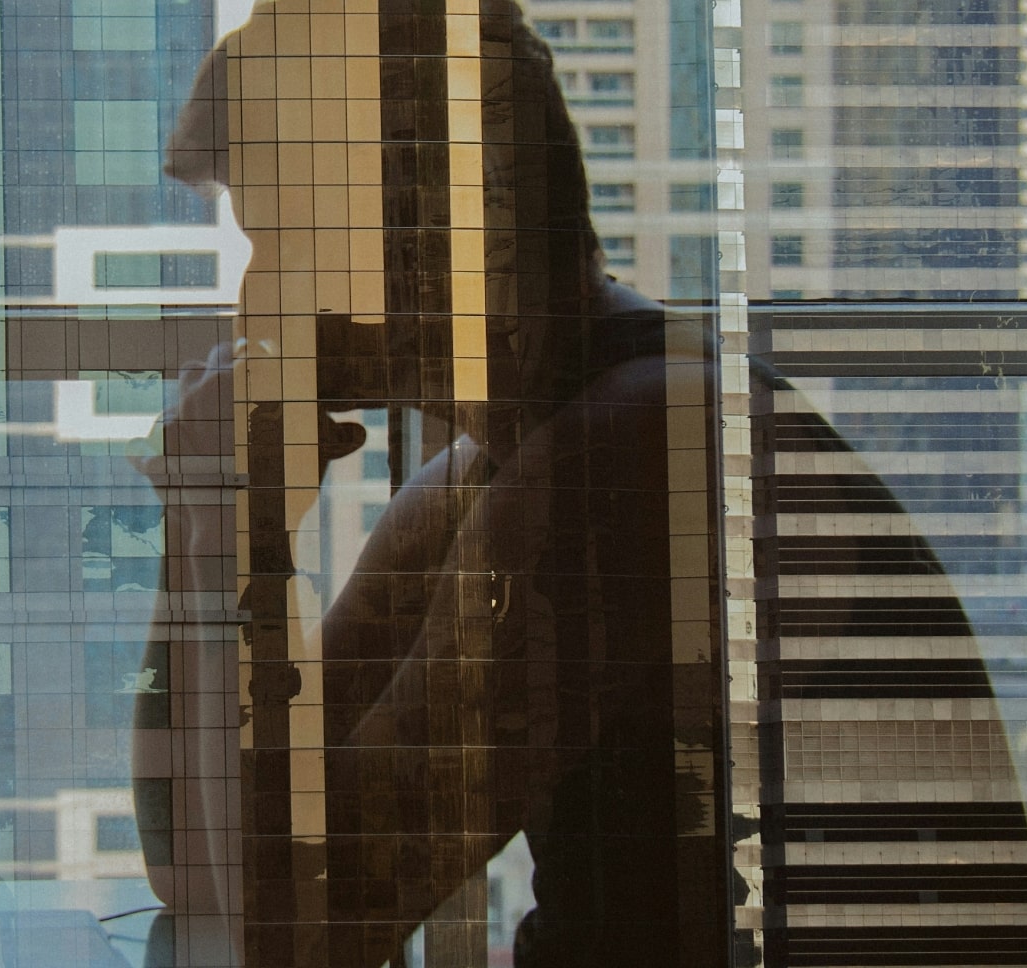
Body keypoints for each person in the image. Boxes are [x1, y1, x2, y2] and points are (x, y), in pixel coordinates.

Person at [133, 2, 734, 965]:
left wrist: (226, 530)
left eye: (287, 241)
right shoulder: (481, 477)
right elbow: (199, 877)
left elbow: (295, 935)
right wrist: (202, 532)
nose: (257, 295)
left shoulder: (623, 465)